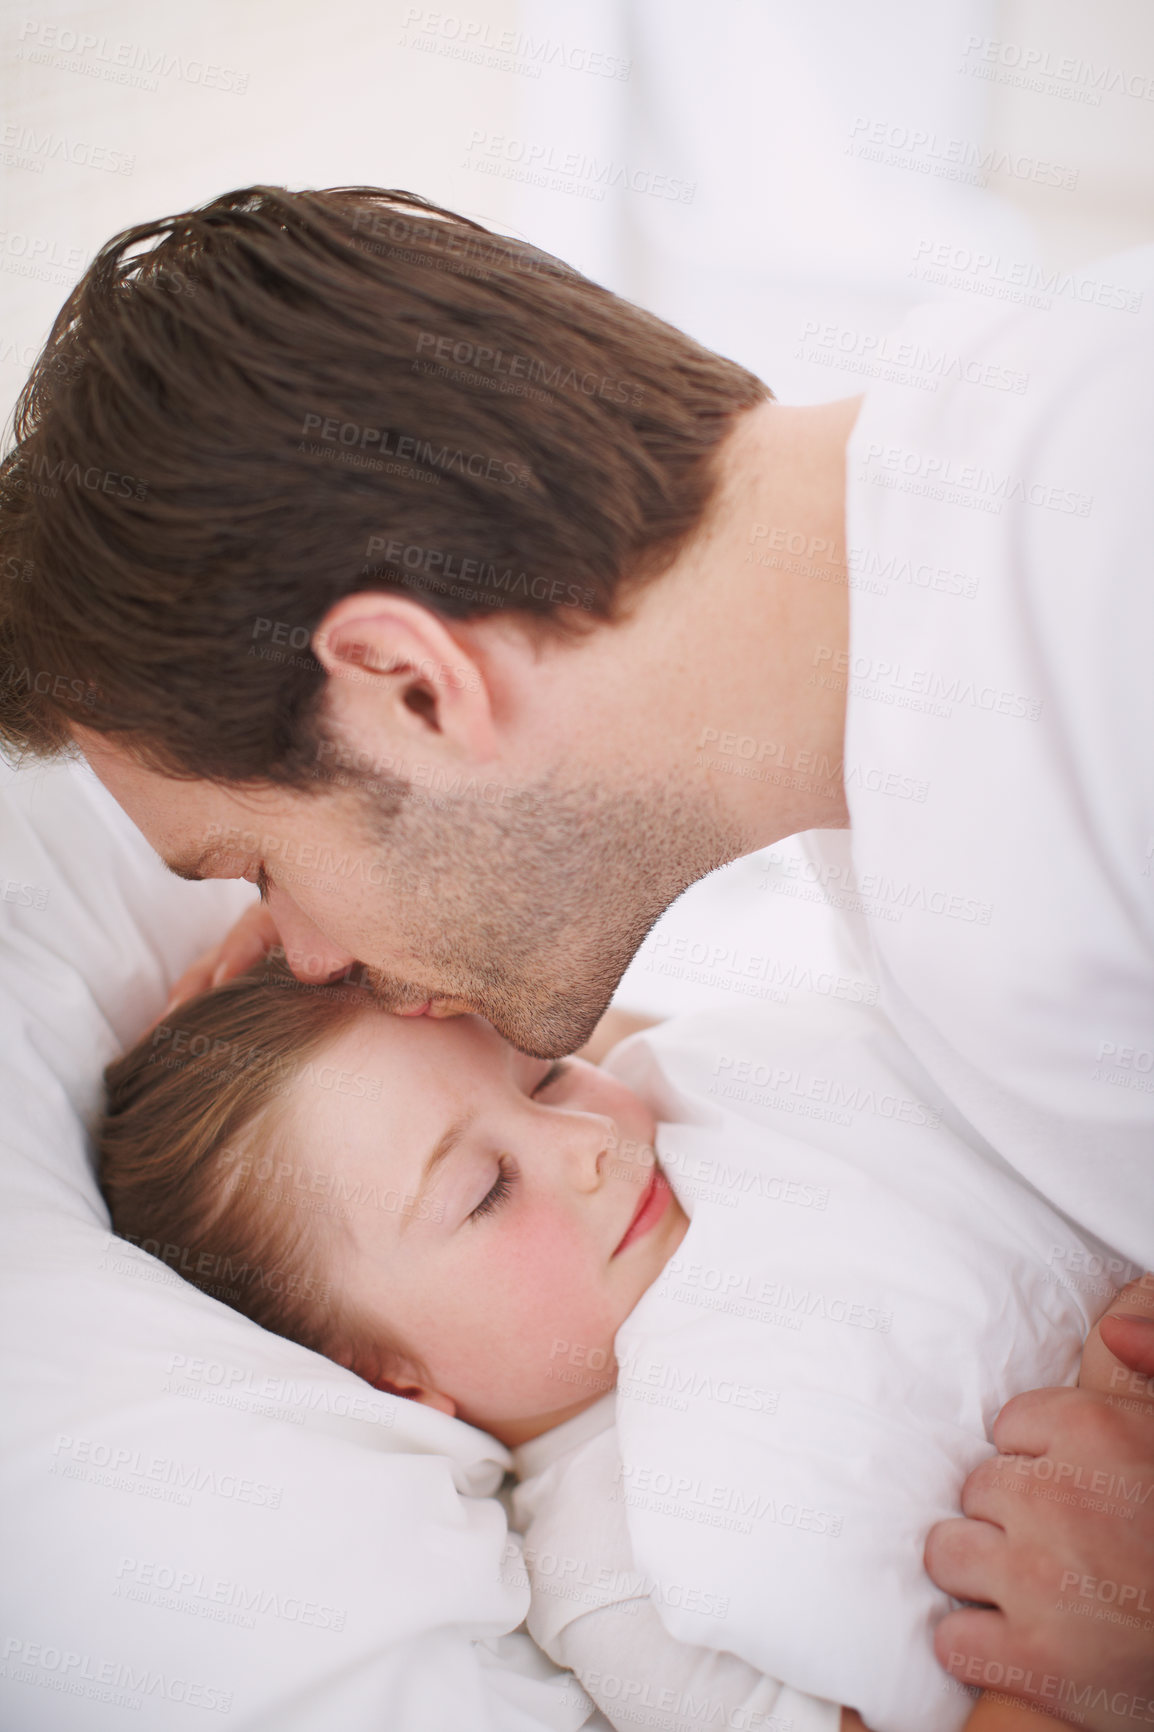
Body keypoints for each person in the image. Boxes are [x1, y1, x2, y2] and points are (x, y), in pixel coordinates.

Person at [0, 183, 1150, 1721]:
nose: (304, 955)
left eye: (257, 868)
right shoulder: (945, 772)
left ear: (411, 686)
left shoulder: (1101, 653)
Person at [95, 959, 1152, 1732]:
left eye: (547, 1073)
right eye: (486, 1191)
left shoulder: (691, 1103)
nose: (586, 1143)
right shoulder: (614, 1573)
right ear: (388, 1378)